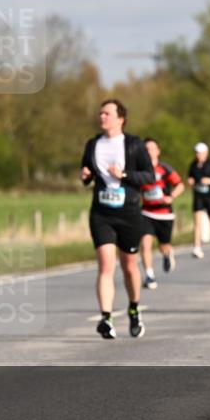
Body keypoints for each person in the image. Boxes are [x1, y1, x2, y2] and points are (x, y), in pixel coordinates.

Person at [80, 99, 154, 339]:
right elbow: (86, 173)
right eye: (101, 113)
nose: (102, 117)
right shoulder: (93, 144)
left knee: (129, 265)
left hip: (129, 211)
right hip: (102, 212)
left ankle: (134, 309)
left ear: (120, 118)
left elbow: (148, 176)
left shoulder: (133, 144)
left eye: (107, 113)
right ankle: (106, 317)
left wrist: (123, 174)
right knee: (105, 264)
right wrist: (85, 175)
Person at [139, 138, 185, 290]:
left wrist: (170, 197)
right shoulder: (140, 170)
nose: (149, 151)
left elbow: (180, 185)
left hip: (164, 214)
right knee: (145, 243)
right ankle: (149, 275)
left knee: (163, 246)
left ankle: (167, 254)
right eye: (146, 149)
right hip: (146, 212)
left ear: (158, 151)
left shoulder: (165, 169)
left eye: (152, 148)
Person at [187, 142, 210, 259]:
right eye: (196, 153)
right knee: (197, 221)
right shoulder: (193, 165)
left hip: (209, 195)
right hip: (198, 195)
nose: (198, 155)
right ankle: (197, 247)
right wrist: (190, 180)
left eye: (200, 153)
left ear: (206, 153)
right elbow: (190, 176)